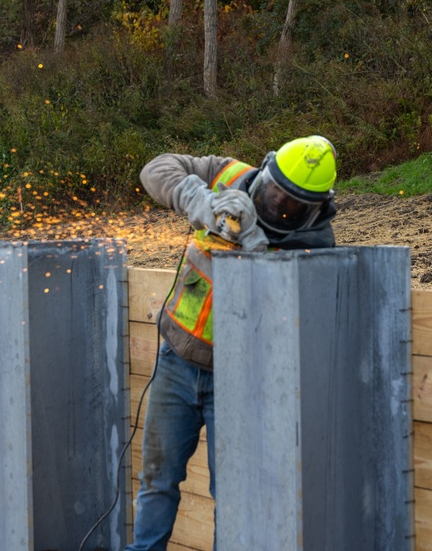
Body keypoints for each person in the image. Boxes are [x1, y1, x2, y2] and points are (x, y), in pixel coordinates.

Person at [127, 135, 338, 550]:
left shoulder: (316, 241)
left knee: (235, 496)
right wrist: (199, 200)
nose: (277, 206)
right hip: (177, 357)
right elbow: (155, 169)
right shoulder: (228, 174)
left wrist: (256, 242)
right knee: (157, 478)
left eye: (292, 205)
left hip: (240, 379)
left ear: (316, 208)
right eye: (273, 192)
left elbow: (287, 309)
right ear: (265, 170)